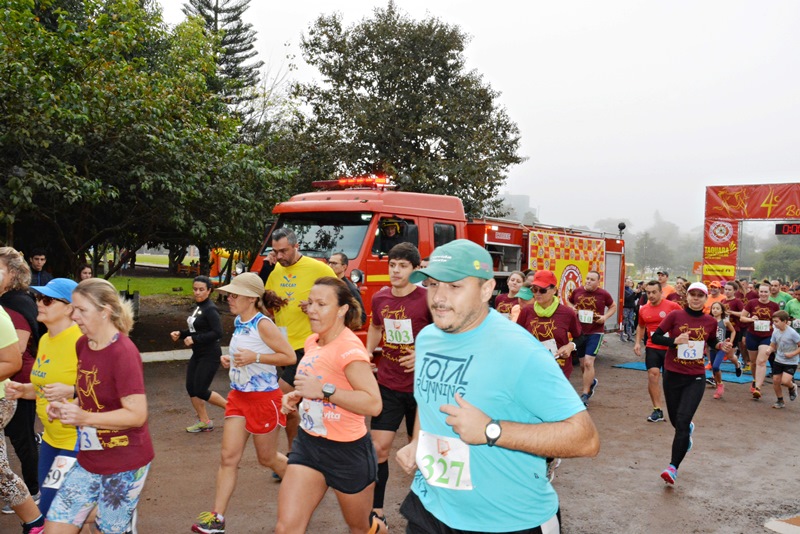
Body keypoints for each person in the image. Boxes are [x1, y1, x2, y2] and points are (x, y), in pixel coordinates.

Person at [395, 239, 599, 533]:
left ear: (487, 290)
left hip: (507, 520)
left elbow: (586, 439)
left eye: (454, 286)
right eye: (432, 284)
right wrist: (417, 442)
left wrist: (492, 430)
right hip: (432, 508)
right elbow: (429, 403)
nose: (439, 297)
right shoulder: (428, 338)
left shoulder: (519, 351)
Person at [275, 277, 384, 534]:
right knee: (286, 528)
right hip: (309, 444)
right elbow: (316, 381)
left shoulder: (349, 350)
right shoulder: (314, 341)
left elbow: (373, 404)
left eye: (321, 304)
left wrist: (323, 392)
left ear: (342, 310)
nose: (312, 309)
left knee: (360, 527)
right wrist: (299, 395)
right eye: (311, 302)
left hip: (347, 453)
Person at [45, 278, 154, 534]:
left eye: (82, 310)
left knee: (107, 530)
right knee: (55, 527)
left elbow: (137, 415)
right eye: (73, 308)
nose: (74, 316)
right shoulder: (82, 344)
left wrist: (83, 417)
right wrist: (67, 407)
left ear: (104, 312)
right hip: (89, 458)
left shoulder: (124, 352)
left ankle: (120, 513)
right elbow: (90, 396)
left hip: (125, 462)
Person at [192, 273, 296, 534]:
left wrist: (255, 356)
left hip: (263, 400)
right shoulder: (240, 321)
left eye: (234, 295)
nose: (228, 298)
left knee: (267, 458)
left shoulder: (264, 324)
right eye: (229, 294)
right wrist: (231, 360)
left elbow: (289, 356)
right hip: (238, 397)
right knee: (228, 457)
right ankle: (217, 519)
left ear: (251, 298)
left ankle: (305, 486)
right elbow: (246, 353)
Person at [364, 243, 432, 525]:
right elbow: (376, 327)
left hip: (423, 387)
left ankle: (427, 511)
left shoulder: (428, 298)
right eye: (392, 264)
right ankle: (377, 511)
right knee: (378, 448)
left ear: (416, 270)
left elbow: (446, 333)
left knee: (422, 451)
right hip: (389, 383)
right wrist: (366, 352)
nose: (395, 270)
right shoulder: (380, 298)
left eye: (402, 265)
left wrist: (423, 355)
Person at [5, 278, 81, 517]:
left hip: (75, 441)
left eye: (47, 300)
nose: (39, 303)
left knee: (56, 512)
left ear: (70, 307)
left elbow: (105, 387)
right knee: (72, 515)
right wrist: (24, 390)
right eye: (38, 298)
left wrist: (73, 391)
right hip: (50, 441)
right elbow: (44, 386)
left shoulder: (82, 341)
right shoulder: (47, 339)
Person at [651, 282, 730, 485]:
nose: (696, 298)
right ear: (687, 297)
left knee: (683, 422)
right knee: (676, 421)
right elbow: (656, 337)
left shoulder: (710, 321)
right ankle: (686, 434)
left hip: (695, 377)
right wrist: (674, 342)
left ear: (705, 299)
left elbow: (711, 342)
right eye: (692, 294)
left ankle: (672, 468)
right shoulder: (675, 316)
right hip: (672, 374)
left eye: (700, 295)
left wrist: (721, 345)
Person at [265, 228, 336, 449]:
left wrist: (316, 306)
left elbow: (343, 301)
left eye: (284, 251)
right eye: (275, 252)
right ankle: (294, 452)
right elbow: (267, 305)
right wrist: (273, 304)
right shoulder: (276, 270)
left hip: (310, 346)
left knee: (282, 396)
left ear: (296, 247)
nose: (279, 257)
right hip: (284, 347)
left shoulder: (319, 269)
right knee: (295, 405)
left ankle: (297, 454)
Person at [0, 267, 44, 534]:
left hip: (5, 396)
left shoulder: (5, 314)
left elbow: (13, 360)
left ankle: (37, 520)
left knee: (11, 460)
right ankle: (36, 523)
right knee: (2, 472)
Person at [170, 275, 227, 433]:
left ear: (209, 291)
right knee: (191, 388)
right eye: (195, 289)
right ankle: (204, 421)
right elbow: (197, 330)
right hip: (198, 354)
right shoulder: (198, 307)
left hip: (210, 355)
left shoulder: (210, 309)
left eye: (201, 290)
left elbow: (218, 332)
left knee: (201, 389)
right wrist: (181, 334)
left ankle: (234, 410)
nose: (197, 292)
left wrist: (194, 339)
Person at [517, 269, 582, 378]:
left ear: (554, 290)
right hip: (533, 366)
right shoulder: (527, 311)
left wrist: (570, 346)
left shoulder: (567, 313)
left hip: (559, 368)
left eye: (542, 290)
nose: (537, 293)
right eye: (534, 289)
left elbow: (580, 337)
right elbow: (518, 336)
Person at [634, 280, 682, 423]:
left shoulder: (672, 306)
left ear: (661, 292)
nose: (651, 295)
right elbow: (641, 326)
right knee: (653, 375)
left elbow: (684, 321)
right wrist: (637, 342)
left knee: (670, 380)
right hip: (652, 346)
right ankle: (657, 410)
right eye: (648, 292)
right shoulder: (643, 309)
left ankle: (677, 409)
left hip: (670, 348)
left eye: (654, 292)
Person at [568, 270, 617, 405]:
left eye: (592, 279)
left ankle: (585, 394)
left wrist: (605, 317)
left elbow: (613, 306)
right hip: (580, 332)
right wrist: (573, 309)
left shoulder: (603, 294)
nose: (588, 281)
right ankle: (591, 382)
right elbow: (569, 302)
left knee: (589, 362)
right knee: (583, 364)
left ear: (598, 282)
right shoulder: (577, 291)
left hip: (595, 332)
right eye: (587, 278)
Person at [740, 283, 780, 399]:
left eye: (765, 292)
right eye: (761, 292)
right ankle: (755, 379)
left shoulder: (774, 305)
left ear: (769, 293)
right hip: (752, 335)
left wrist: (775, 325)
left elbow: (778, 319)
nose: (763, 294)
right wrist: (751, 319)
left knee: (761, 361)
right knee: (753, 362)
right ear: (758, 292)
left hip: (767, 336)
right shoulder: (752, 303)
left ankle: (758, 388)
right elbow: (742, 317)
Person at [767, 311, 800, 409]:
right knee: (776, 380)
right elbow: (773, 344)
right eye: (773, 322)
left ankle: (792, 387)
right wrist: (769, 350)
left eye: (776, 322)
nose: (774, 324)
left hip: (791, 361)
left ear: (785, 321)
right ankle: (780, 400)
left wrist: (792, 354)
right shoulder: (775, 331)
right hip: (778, 359)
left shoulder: (792, 333)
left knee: (785, 381)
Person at [708, 301, 739, 400]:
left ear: (722, 311)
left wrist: (731, 342)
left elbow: (733, 331)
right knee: (714, 368)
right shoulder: (709, 320)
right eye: (713, 308)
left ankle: (720, 385)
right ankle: (718, 386)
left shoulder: (725, 321)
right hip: (711, 347)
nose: (715, 310)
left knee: (716, 366)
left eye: (717, 308)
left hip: (722, 347)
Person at [328, 252, 367, 325]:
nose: (330, 266)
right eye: (329, 263)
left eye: (334, 263)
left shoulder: (350, 289)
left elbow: (362, 317)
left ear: (344, 267)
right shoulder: (326, 285)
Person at [621, 277, 639, 342]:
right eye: (628, 282)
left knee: (630, 322)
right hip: (625, 307)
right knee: (624, 322)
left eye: (630, 282)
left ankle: (630, 336)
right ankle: (622, 336)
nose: (629, 283)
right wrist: (634, 293)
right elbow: (627, 298)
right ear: (624, 282)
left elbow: (634, 298)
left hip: (631, 307)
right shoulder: (623, 290)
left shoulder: (631, 289)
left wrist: (638, 292)